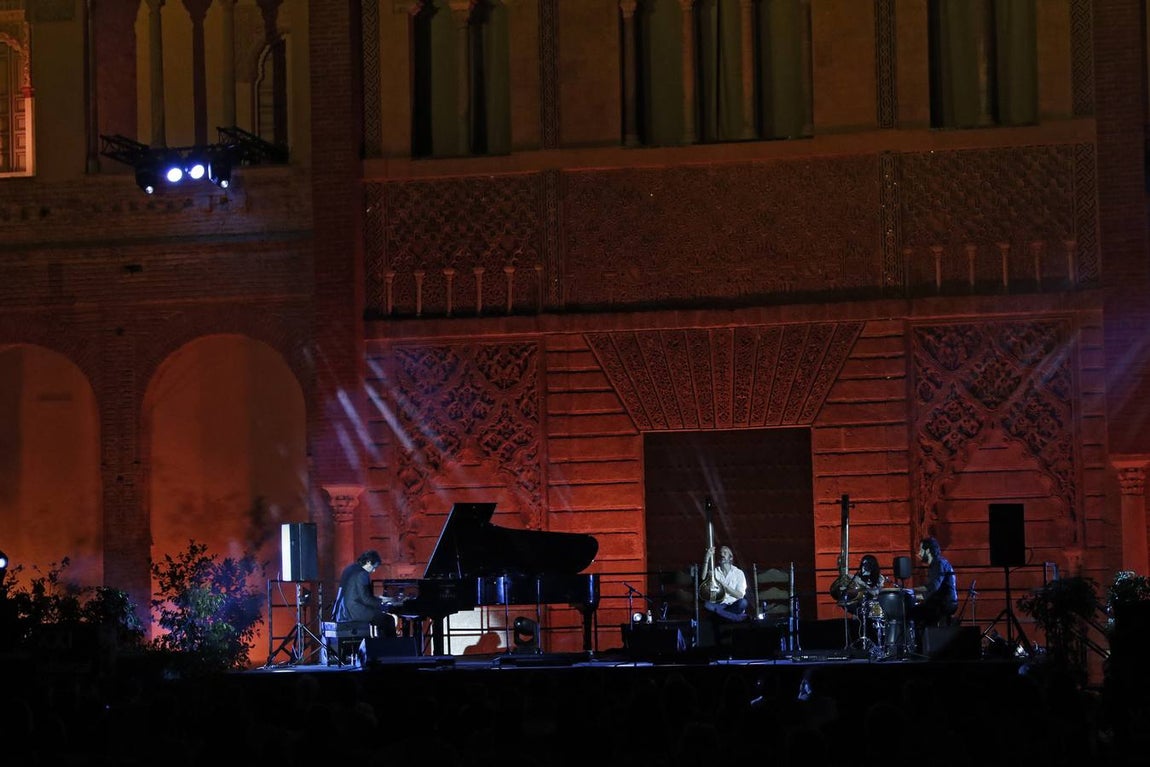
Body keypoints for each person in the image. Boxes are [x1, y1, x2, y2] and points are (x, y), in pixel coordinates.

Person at [335, 549, 397, 638]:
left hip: (343, 611)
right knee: (388, 619)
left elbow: (359, 595)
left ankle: (381, 644)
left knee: (380, 615)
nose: (374, 571)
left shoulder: (350, 568)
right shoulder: (362, 574)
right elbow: (366, 599)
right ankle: (389, 648)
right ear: (368, 562)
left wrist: (380, 600)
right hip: (355, 611)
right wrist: (383, 603)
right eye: (374, 567)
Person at [910, 536, 958, 634]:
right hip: (942, 602)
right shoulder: (939, 563)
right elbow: (929, 587)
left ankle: (921, 644)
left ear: (927, 551)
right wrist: (913, 591)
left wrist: (915, 595)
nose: (919, 553)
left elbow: (933, 588)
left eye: (921, 550)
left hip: (943, 604)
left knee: (911, 613)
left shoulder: (938, 564)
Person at [701, 545, 748, 622]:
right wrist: (707, 557)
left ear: (730, 558)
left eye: (725, 553)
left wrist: (725, 586)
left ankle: (722, 614)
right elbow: (703, 577)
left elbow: (740, 595)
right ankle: (734, 617)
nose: (722, 555)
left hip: (733, 605)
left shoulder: (738, 573)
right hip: (720, 605)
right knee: (707, 604)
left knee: (743, 602)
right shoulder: (715, 571)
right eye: (720, 553)